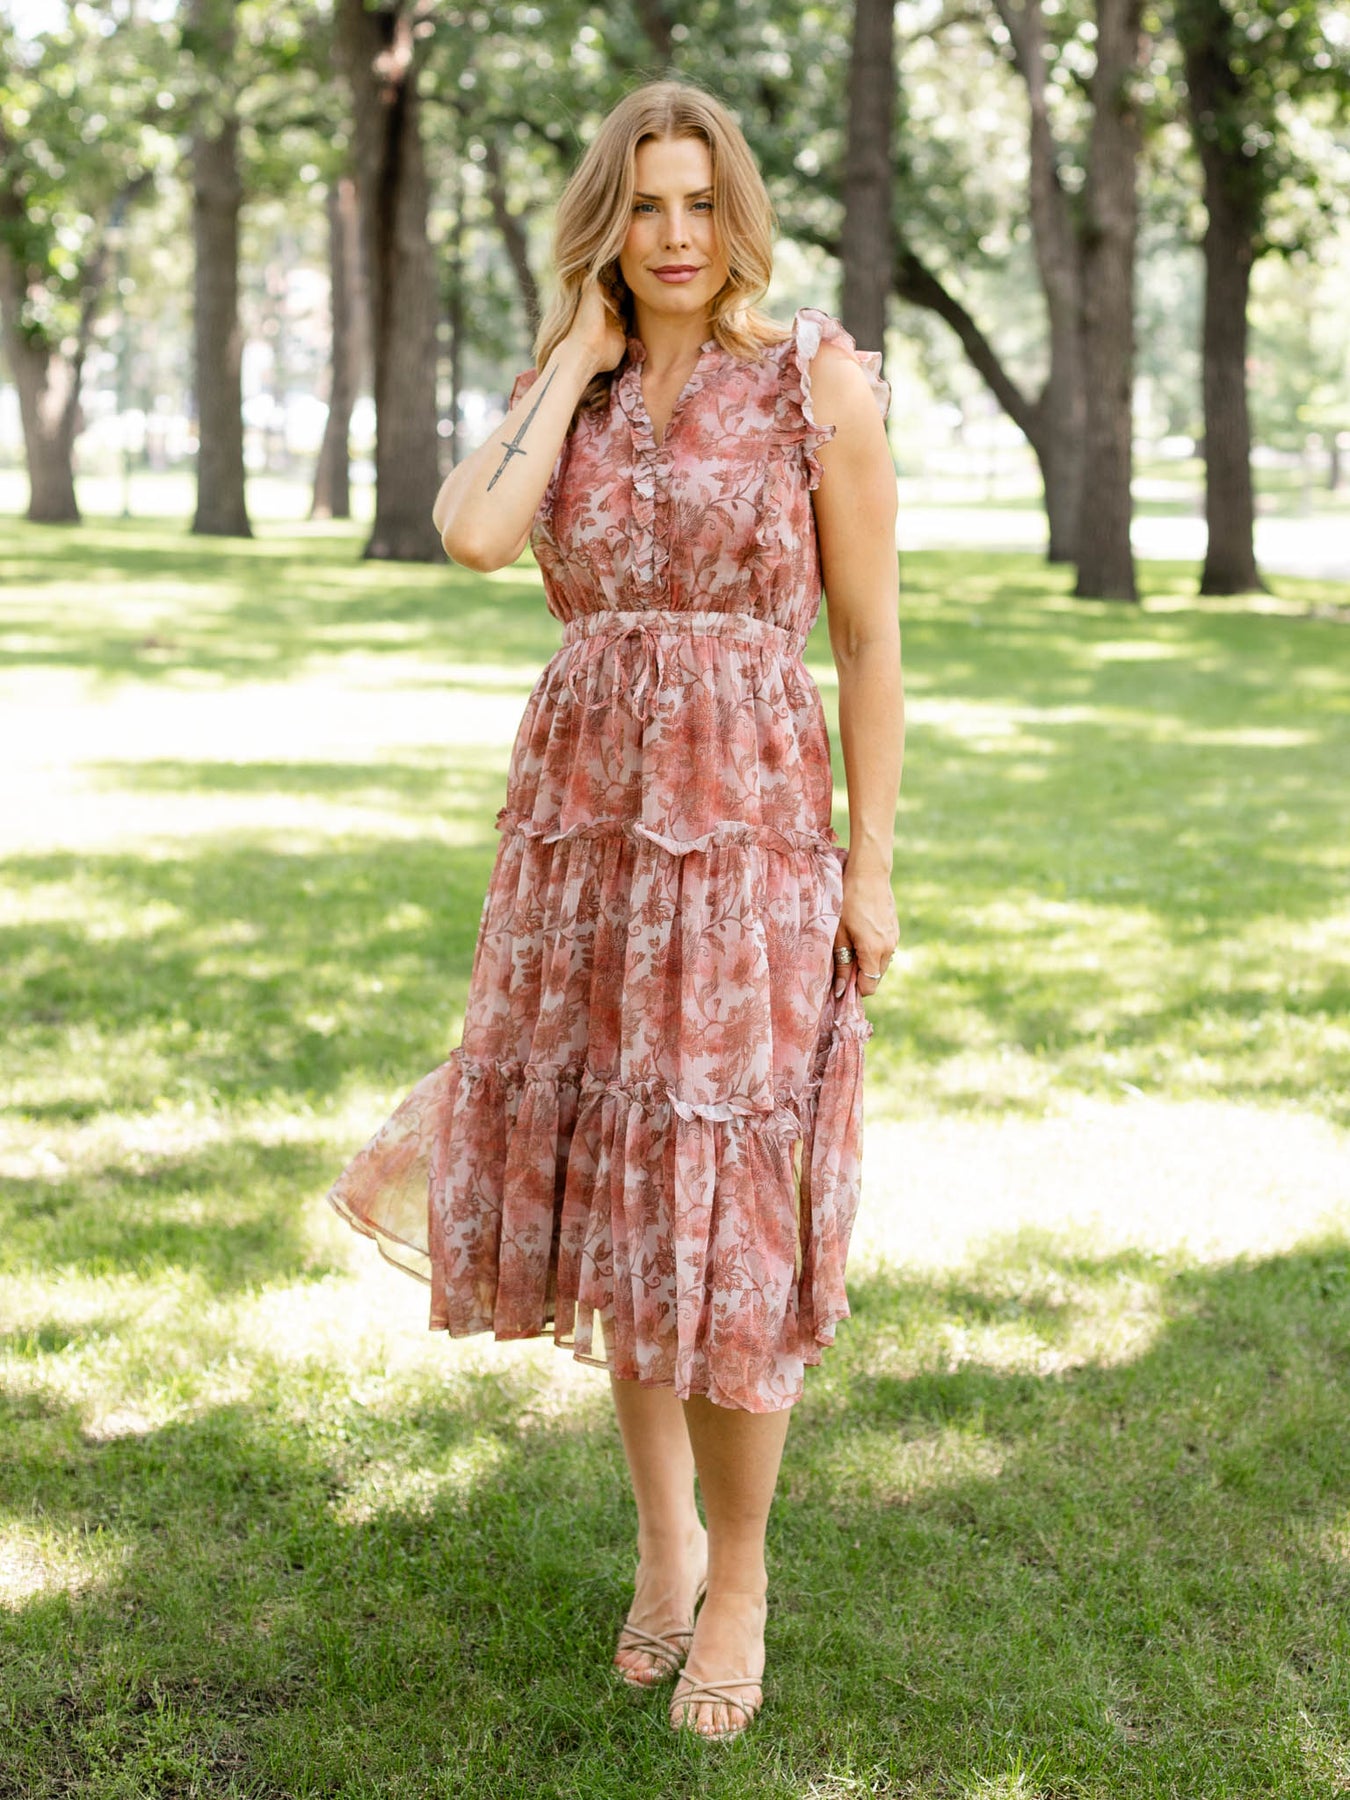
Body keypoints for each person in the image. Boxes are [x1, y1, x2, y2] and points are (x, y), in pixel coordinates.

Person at [324, 78, 903, 1743]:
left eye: (699, 202)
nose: (674, 234)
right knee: (624, 1199)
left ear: (739, 215)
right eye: (643, 204)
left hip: (747, 840)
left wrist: (869, 865)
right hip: (581, 843)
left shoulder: (813, 381)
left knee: (727, 1207)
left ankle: (743, 1573)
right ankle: (661, 1547)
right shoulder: (560, 391)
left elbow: (869, 641)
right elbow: (469, 536)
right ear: (606, 220)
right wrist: (576, 355)